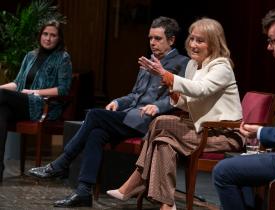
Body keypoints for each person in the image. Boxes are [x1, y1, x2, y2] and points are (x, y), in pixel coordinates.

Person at [28, 16, 189, 208]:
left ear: (171, 40)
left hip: (151, 121)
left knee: (95, 115)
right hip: (130, 116)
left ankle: (61, 164)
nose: (152, 43)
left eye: (158, 39)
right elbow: (135, 94)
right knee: (97, 133)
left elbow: (181, 97)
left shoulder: (182, 63)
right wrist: (117, 102)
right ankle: (83, 192)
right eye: (150, 38)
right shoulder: (149, 62)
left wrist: (158, 106)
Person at [107, 18, 244, 210]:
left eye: (200, 40)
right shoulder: (199, 66)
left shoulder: (221, 66)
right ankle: (167, 204)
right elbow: (191, 103)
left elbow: (200, 90)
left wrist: (167, 76)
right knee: (164, 142)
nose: (193, 44)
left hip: (225, 134)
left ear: (213, 42)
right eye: (192, 39)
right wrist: (173, 91)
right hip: (204, 129)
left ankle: (138, 179)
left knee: (161, 122)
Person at [212, 2, 275, 210]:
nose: (269, 47)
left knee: (223, 171)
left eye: (272, 41)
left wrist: (261, 133)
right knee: (244, 169)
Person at [0, 20, 72, 182]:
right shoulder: (30, 56)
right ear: (40, 36)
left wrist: (34, 92)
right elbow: (17, 83)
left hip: (43, 106)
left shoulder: (63, 58)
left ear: (59, 38)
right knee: (1, 111)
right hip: (23, 102)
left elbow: (63, 89)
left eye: (53, 35)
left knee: (3, 96)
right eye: (45, 34)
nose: (48, 38)